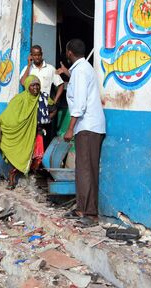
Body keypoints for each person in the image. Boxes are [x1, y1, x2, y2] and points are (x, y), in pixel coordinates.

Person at [61, 39, 106, 227]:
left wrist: (70, 128)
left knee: (86, 170)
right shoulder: (82, 69)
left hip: (87, 126)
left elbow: (79, 104)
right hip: (87, 126)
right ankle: (81, 208)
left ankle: (90, 213)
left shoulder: (80, 71)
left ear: (69, 53)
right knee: (82, 169)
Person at [0, 75, 53, 189]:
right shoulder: (19, 99)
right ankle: (12, 178)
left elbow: (54, 108)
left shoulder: (43, 98)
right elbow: (8, 115)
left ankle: (32, 175)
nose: (35, 88)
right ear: (27, 87)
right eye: (32, 85)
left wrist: (45, 119)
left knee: (37, 156)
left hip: (37, 133)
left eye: (37, 85)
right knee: (20, 153)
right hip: (22, 134)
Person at [20, 45, 63, 146]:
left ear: (42, 54)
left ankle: (43, 160)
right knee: (32, 135)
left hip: (46, 107)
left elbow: (60, 85)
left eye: (39, 55)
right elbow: (22, 82)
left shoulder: (50, 68)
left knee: (46, 135)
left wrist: (55, 101)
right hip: (31, 107)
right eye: (34, 55)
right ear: (31, 56)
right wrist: (29, 65)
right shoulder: (28, 69)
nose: (37, 57)